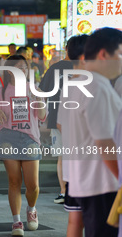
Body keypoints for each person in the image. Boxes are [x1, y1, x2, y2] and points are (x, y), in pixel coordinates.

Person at [58, 27, 122, 237]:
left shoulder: (77, 85)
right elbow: (104, 143)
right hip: (103, 183)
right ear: (104, 54)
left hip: (85, 180)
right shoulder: (98, 88)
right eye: (120, 54)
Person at [0, 55, 46, 236]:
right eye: (18, 68)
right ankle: (17, 221)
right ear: (9, 71)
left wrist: (38, 97)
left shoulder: (34, 88)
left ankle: (32, 208)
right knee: (14, 181)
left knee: (33, 185)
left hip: (30, 138)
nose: (22, 71)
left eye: (24, 68)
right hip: (8, 138)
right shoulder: (1, 91)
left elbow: (43, 116)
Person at [57, 34, 89, 237]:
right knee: (99, 223)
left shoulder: (68, 85)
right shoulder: (100, 85)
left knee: (75, 221)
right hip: (95, 168)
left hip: (74, 167)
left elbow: (61, 124)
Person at [39, 38, 74, 205]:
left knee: (62, 156)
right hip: (78, 119)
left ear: (66, 49)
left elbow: (41, 92)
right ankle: (75, 191)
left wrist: (43, 114)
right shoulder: (86, 69)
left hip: (56, 118)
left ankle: (63, 191)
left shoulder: (54, 68)